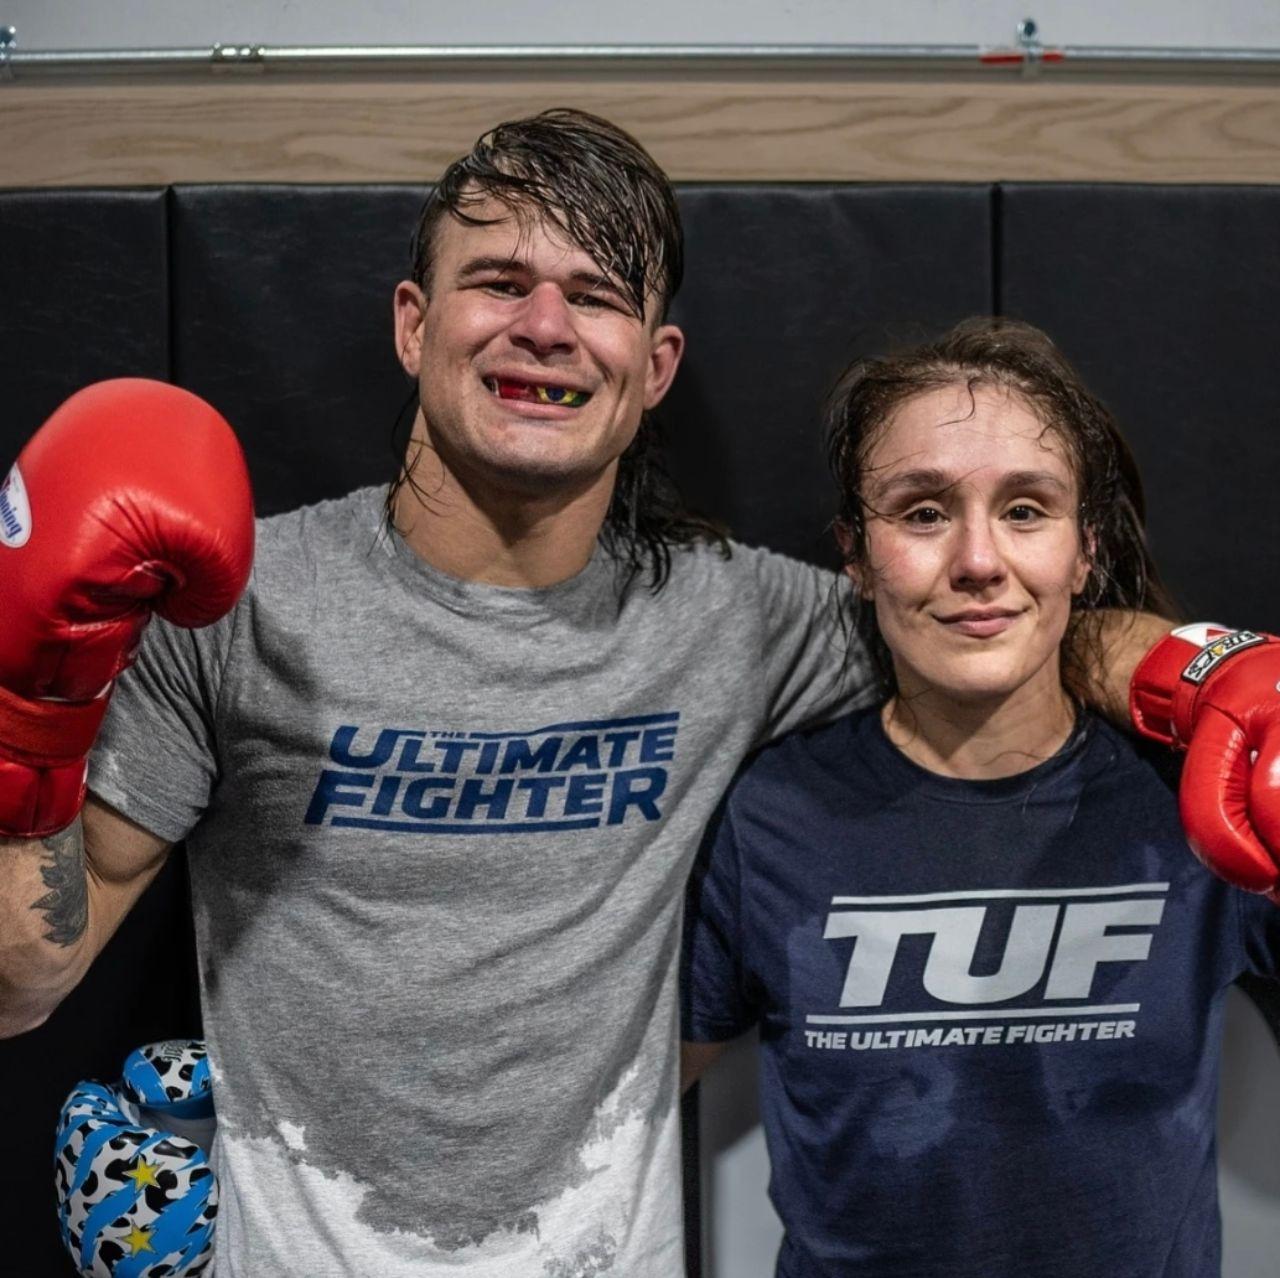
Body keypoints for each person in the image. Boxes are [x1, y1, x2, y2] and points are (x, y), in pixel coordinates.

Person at [0, 111, 1276, 1276]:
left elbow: (1000, 624)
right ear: (411, 323)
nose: (545, 326)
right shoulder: (237, 607)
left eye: (597, 295)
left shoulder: (736, 619)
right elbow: (24, 985)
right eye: (498, 281)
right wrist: (28, 711)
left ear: (655, 364)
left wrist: (1199, 673)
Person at [680, 317, 1280, 1278]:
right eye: (922, 513)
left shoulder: (1190, 791)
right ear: (855, 553)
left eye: (1026, 510)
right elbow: (620, 1099)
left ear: (1084, 551)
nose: (977, 560)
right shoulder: (771, 817)